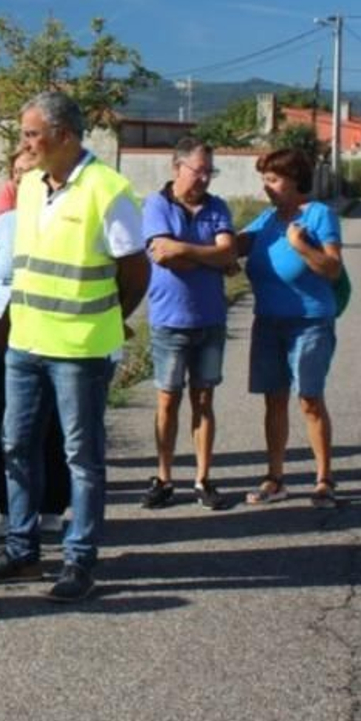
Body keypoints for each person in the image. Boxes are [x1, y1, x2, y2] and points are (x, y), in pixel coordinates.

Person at [0, 92, 148, 604]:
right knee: (15, 446)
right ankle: (22, 551)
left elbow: (136, 273)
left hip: (81, 350)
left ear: (63, 136)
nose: (24, 143)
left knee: (81, 459)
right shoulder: (26, 188)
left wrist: (111, 319)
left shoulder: (108, 191)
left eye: (30, 134)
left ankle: (78, 561)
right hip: (25, 343)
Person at [0, 148, 69, 536]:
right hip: (4, 324)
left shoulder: (61, 221)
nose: (25, 180)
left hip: (50, 322)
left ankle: (52, 505)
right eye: (19, 174)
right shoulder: (3, 226)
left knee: (52, 418)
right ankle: (10, 508)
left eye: (33, 172)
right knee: (6, 420)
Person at [236, 148, 345, 508]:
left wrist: (300, 246)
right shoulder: (266, 220)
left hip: (310, 322)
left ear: (295, 180)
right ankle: (275, 476)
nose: (266, 187)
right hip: (268, 322)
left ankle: (324, 479)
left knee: (310, 398)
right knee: (274, 399)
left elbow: (331, 269)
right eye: (264, 179)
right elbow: (235, 245)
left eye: (273, 179)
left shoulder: (318, 215)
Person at [140, 138, 238, 511]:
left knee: (204, 398)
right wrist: (214, 258)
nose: (204, 179)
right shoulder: (156, 204)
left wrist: (190, 250)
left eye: (209, 172)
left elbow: (228, 251)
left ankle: (202, 478)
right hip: (169, 320)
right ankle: (164, 477)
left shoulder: (218, 208)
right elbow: (165, 257)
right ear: (176, 167)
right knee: (168, 399)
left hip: (210, 319)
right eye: (198, 171)